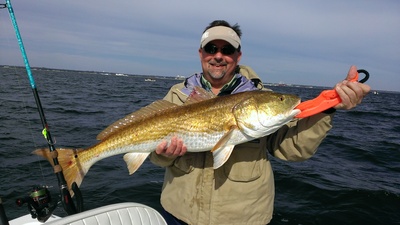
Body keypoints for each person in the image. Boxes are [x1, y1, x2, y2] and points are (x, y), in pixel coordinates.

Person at [150, 20, 370, 225]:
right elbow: (155, 156)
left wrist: (328, 106)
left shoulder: (259, 96)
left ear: (238, 56)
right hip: (179, 214)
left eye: (227, 50)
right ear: (201, 54)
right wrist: (163, 155)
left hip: (243, 218)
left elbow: (294, 150)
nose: (218, 56)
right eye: (211, 49)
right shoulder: (177, 96)